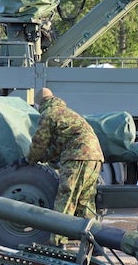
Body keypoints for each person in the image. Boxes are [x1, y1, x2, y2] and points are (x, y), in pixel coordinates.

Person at [26, 88, 104, 245]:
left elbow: (39, 143)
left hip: (77, 156)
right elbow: (56, 147)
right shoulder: (66, 112)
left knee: (66, 199)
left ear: (39, 103)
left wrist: (30, 159)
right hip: (95, 156)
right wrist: (42, 157)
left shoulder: (48, 114)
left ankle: (58, 243)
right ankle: (93, 242)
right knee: (86, 201)